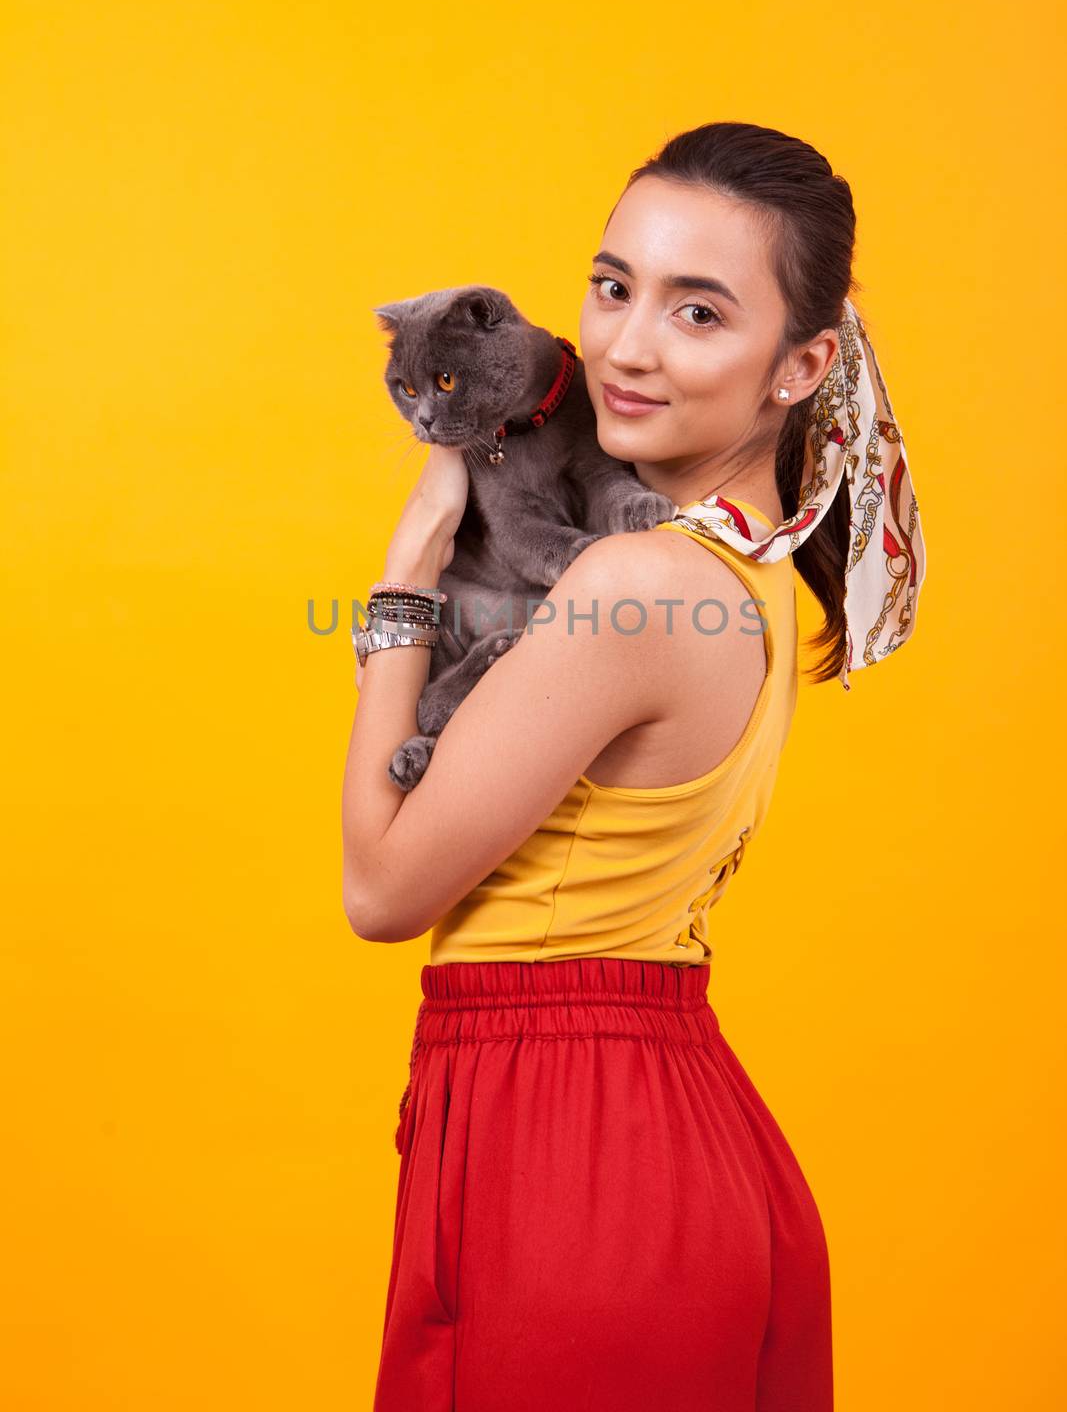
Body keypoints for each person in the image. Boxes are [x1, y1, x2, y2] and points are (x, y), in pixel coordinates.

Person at [341, 121, 926, 1412]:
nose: (624, 345)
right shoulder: (742, 568)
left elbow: (382, 889)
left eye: (698, 312)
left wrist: (409, 574)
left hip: (579, 1173)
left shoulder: (639, 583)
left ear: (801, 365)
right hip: (649, 1140)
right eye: (613, 287)